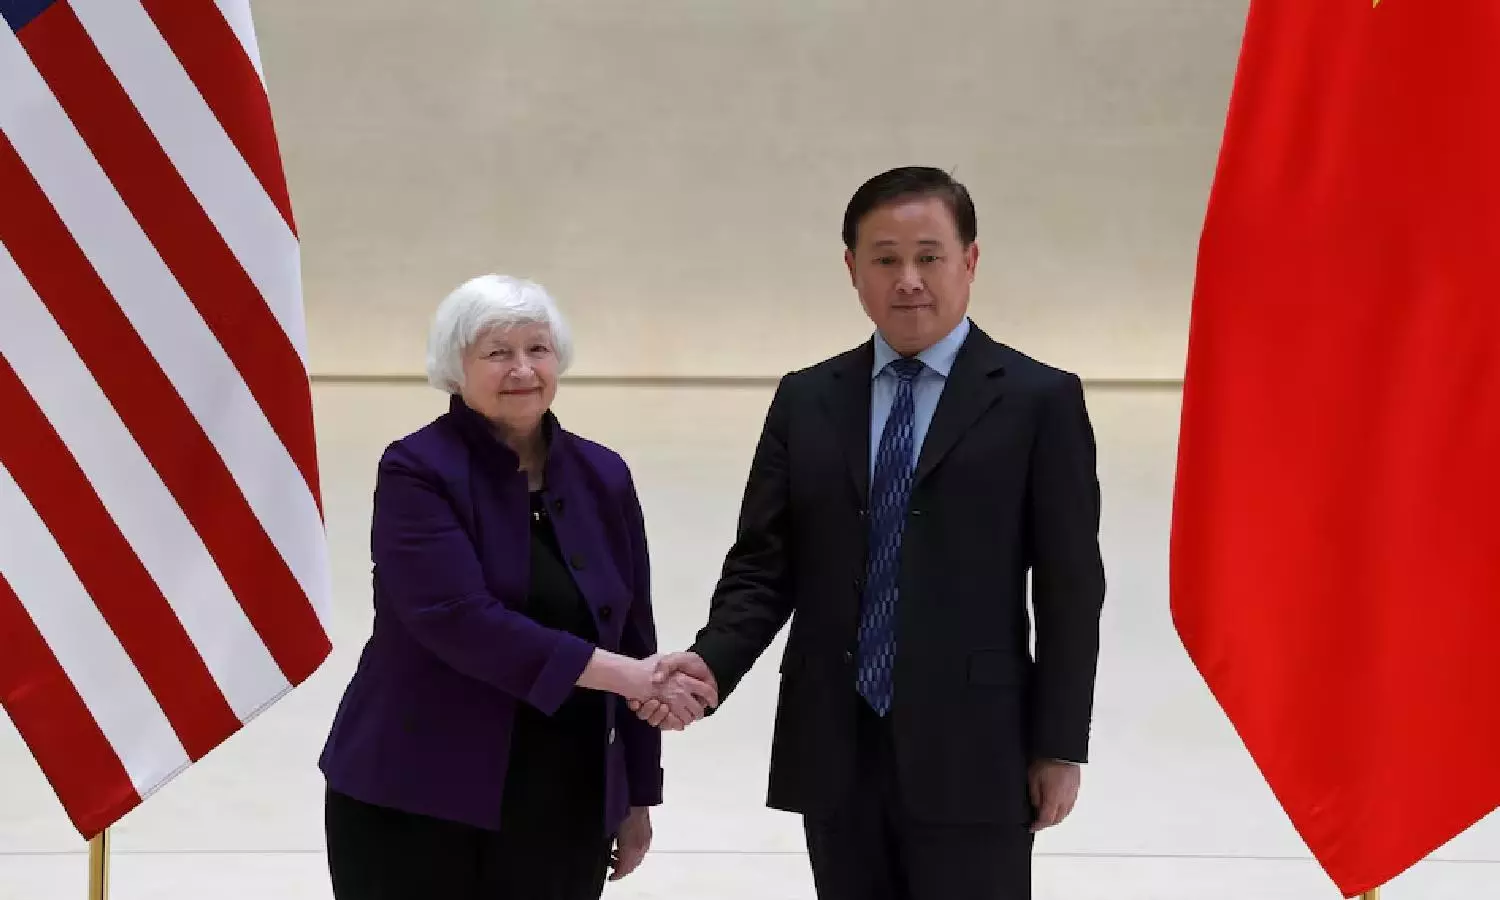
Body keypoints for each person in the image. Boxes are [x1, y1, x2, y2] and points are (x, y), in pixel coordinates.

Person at [634, 166, 1107, 899]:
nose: (908, 280)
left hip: (978, 750)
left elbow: (1071, 590)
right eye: (885, 259)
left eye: (929, 256)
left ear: (970, 261)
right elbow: (764, 565)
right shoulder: (806, 399)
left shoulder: (1039, 400)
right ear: (853, 268)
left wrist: (1058, 744)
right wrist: (711, 664)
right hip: (835, 746)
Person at [318, 274, 715, 900]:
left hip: (565, 802)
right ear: (456, 368)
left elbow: (632, 632)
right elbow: (458, 618)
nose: (523, 369)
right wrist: (629, 677)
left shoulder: (603, 474)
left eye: (538, 349)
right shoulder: (416, 470)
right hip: (416, 793)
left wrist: (635, 795)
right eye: (497, 352)